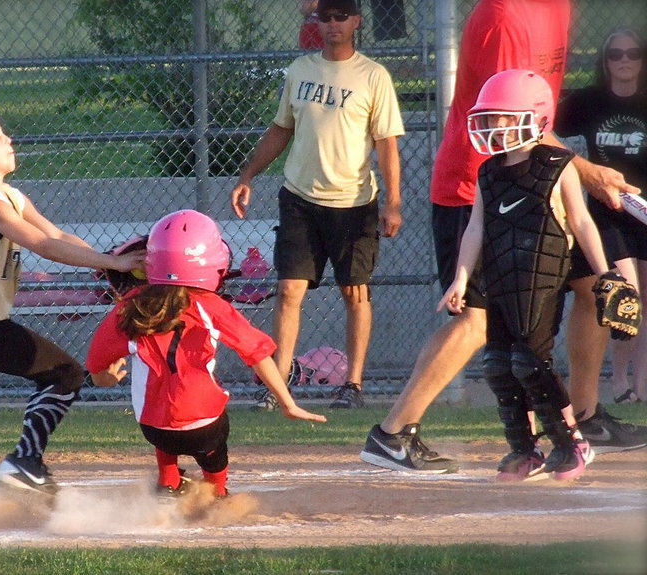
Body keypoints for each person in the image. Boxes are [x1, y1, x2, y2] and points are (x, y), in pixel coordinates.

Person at [359, 0, 646, 475]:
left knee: (597, 287)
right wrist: (590, 172)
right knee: (477, 321)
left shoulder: (558, 8)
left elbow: (543, 106)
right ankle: (392, 434)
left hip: (544, 183)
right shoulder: (503, 14)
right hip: (481, 186)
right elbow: (510, 121)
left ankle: (584, 416)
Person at [0, 109, 145, 496]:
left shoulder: (9, 196)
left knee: (62, 374)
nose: (7, 139)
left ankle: (26, 463)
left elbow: (57, 235)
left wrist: (107, 267)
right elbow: (42, 246)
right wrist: (113, 261)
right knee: (64, 374)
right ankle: (24, 462)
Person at [438, 69, 612, 481]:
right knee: (498, 364)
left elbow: (583, 223)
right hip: (500, 278)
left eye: (503, 115)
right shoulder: (489, 171)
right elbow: (476, 228)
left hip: (542, 277)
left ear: (535, 116)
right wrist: (460, 279)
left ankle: (571, 443)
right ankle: (524, 450)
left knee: (529, 363)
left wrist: (606, 274)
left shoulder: (558, 165)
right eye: (490, 117)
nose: (495, 125)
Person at [231, 0, 405, 410]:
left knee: (354, 292)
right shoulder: (300, 71)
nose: (332, 25)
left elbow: (387, 145)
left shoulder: (373, 76)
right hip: (300, 200)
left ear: (357, 22)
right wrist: (247, 175)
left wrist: (393, 202)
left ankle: (353, 385)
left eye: (340, 17)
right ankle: (278, 385)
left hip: (353, 203)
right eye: (324, 17)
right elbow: (280, 129)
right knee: (289, 290)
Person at [85, 210, 326, 498]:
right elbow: (258, 354)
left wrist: (106, 379)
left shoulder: (130, 307)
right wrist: (287, 402)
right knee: (212, 443)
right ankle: (217, 491)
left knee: (162, 405)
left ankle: (168, 482)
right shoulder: (212, 306)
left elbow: (96, 364)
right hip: (203, 427)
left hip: (152, 427)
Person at [555, 28, 647, 406]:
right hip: (609, 210)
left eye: (632, 52)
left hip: (644, 209)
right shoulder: (589, 101)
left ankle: (642, 384)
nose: (624, 60)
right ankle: (620, 382)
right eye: (615, 54)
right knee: (626, 297)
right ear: (605, 61)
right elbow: (549, 129)